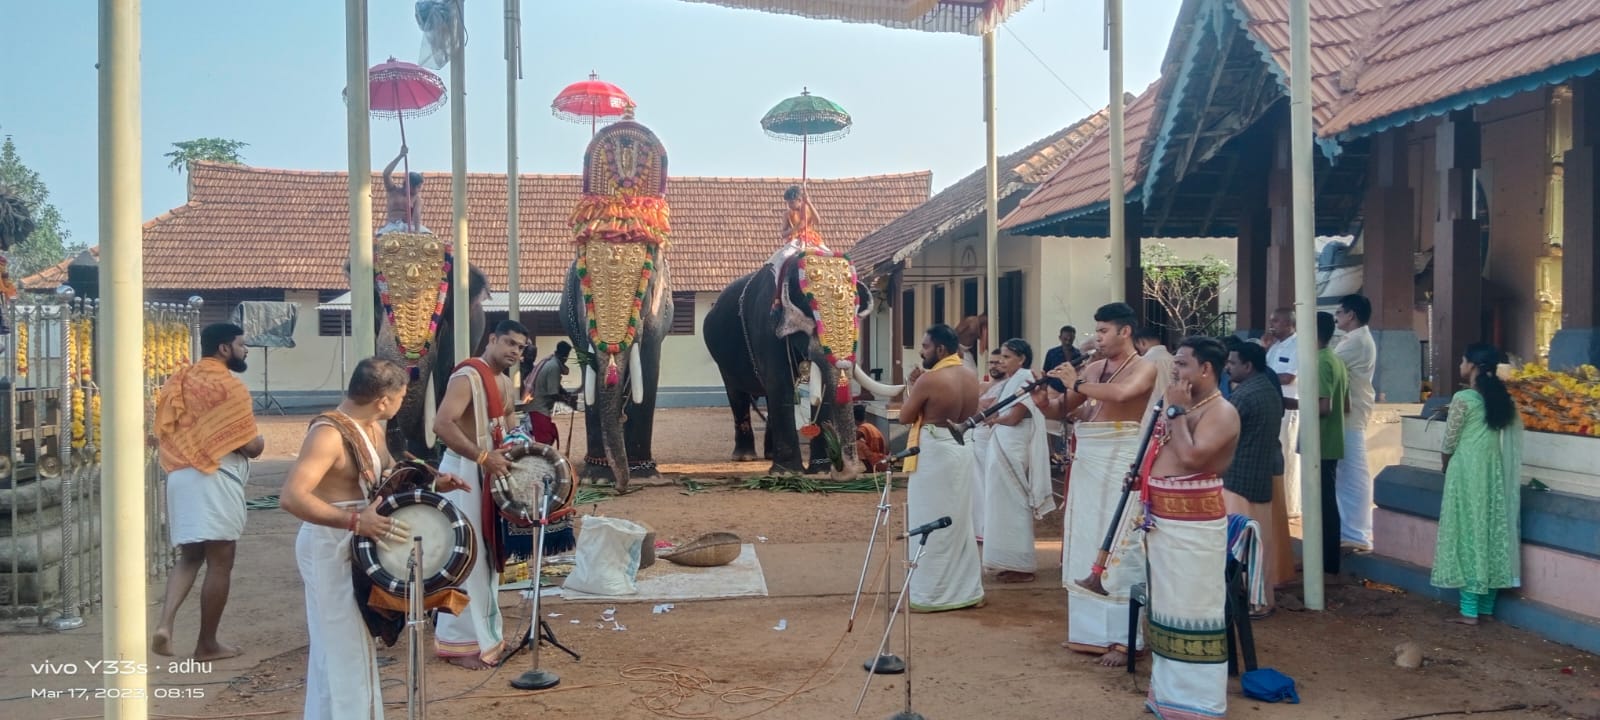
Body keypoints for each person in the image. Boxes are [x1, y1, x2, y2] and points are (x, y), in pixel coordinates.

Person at [280, 358, 470, 719]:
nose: (400, 405)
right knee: (341, 646)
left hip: (362, 542)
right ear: (383, 400)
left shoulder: (372, 427)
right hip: (328, 544)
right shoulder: (328, 434)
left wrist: (432, 482)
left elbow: (384, 478)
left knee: (351, 644)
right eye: (400, 397)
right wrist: (354, 521)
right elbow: (292, 497)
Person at [1034, 302, 1161, 667]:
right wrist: (1044, 400)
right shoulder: (1092, 367)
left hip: (1121, 458)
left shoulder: (1144, 367)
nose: (1097, 338)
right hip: (1089, 458)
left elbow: (1121, 396)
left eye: (1104, 331)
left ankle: (1125, 640)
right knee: (1086, 543)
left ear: (1125, 332)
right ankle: (1088, 633)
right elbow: (1064, 408)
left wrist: (1077, 383)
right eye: (1097, 331)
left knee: (1122, 544)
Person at [150, 323, 264, 661]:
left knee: (189, 556)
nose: (245, 351)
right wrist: (258, 442)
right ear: (224, 348)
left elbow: (164, 429)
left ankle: (165, 625)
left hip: (181, 477)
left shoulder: (179, 380)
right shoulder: (229, 386)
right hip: (214, 476)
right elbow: (250, 446)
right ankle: (207, 644)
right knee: (220, 560)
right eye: (242, 345)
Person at [1141, 337, 1240, 720]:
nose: (1174, 371)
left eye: (1181, 364)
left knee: (1194, 609)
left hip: (1195, 523)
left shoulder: (1222, 411)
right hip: (1165, 518)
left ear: (1206, 369)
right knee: (1166, 607)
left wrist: (1176, 411)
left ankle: (1198, 704)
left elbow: (1193, 456)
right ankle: (1168, 695)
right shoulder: (1184, 405)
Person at [431, 320, 531, 668]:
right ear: (491, 339)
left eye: (521, 347)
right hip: (462, 470)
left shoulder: (504, 381)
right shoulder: (467, 377)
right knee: (463, 555)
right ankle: (458, 643)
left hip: (489, 470)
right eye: (509, 343)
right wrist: (482, 456)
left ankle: (484, 636)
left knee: (487, 556)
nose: (515, 351)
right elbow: (442, 424)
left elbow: (507, 420)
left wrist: (522, 447)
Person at [1433, 344, 1522, 625]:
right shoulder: (1499, 398)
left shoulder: (1464, 398)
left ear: (1472, 365)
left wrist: (1445, 464)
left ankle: (1469, 610)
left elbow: (1450, 440)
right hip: (1491, 473)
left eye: (1462, 359)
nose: (1460, 364)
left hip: (1466, 471)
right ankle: (1486, 606)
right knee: (1489, 531)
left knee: (1467, 531)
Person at [898, 324, 985, 612]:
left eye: (925, 347)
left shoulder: (931, 380)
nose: (921, 351)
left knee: (928, 520)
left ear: (940, 350)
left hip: (935, 453)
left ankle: (931, 594)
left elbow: (905, 417)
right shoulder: (971, 376)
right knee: (958, 521)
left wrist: (914, 387)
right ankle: (965, 591)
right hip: (961, 448)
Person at [980, 338, 1054, 583]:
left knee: (1014, 501)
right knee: (1000, 502)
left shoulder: (1024, 378)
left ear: (1021, 358)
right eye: (1001, 356)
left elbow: (1014, 417)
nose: (1001, 361)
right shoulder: (1009, 380)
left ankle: (1022, 564)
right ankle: (1006, 560)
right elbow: (990, 404)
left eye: (1007, 356)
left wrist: (994, 421)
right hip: (1003, 443)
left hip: (1013, 445)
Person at [1221, 340, 1285, 617]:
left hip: (1239, 479)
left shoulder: (1245, 395)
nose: (1228, 367)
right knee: (1260, 545)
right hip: (1258, 477)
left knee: (1239, 547)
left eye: (1233, 363)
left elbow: (1221, 431)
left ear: (1248, 366)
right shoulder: (1266, 389)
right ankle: (1259, 598)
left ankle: (1250, 601)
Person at [1284, 312, 1349, 577]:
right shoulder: (1334, 359)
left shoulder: (1322, 361)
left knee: (1321, 503)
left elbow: (1325, 406)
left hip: (1319, 439)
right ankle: (1321, 559)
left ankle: (1325, 562)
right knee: (1321, 501)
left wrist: (1291, 404)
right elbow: (1345, 405)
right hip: (1327, 437)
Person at [1333, 294, 1378, 553]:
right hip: (1346, 412)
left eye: (1339, 313)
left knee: (1353, 473)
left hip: (1352, 413)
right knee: (1345, 473)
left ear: (1351, 315)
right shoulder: (1353, 339)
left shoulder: (1357, 341)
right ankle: (1349, 531)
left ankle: (1358, 533)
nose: (1336, 317)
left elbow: (1328, 369)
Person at [1264, 307, 1302, 518]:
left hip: (1289, 407)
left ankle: (1290, 505)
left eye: (1276, 321)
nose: (1272, 325)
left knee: (1287, 454)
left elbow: (1288, 378)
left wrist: (1262, 379)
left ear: (1289, 324)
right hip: (1273, 406)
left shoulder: (1297, 346)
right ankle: (1277, 500)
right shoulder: (1274, 347)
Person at [768, 185, 827, 305]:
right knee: (781, 259)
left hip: (811, 239)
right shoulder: (787, 215)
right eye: (788, 203)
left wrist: (809, 203)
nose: (789, 205)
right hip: (795, 241)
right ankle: (777, 292)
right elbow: (783, 234)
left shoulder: (807, 209)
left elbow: (818, 221)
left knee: (830, 257)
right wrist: (795, 229)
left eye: (791, 202)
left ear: (800, 200)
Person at [971, 349, 1005, 541]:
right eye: (991, 363)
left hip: (992, 437)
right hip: (973, 437)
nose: (993, 366)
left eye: (998, 362)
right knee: (974, 484)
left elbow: (992, 413)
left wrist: (976, 405)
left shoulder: (1008, 387)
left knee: (989, 483)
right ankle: (976, 528)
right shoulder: (982, 386)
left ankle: (988, 529)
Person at [521, 340, 575, 447]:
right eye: (567, 356)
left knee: (547, 437)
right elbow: (553, 393)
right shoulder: (554, 366)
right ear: (565, 355)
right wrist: (567, 401)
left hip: (538, 407)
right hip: (538, 408)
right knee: (544, 442)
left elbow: (557, 386)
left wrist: (565, 393)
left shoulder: (550, 361)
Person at [380, 145, 425, 234]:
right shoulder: (393, 191)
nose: (419, 190)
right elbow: (386, 174)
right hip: (392, 227)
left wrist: (417, 231)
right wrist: (400, 156)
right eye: (418, 187)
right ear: (410, 185)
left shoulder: (416, 199)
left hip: (409, 227)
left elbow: (417, 215)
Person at [854, 403, 888, 470]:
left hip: (877, 461)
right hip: (882, 459)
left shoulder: (862, 428)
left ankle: (870, 469)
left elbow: (852, 440)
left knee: (857, 444)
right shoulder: (869, 426)